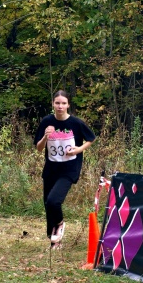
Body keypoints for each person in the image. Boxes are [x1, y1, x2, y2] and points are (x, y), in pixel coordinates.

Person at [34, 90, 96, 249]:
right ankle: (55, 241)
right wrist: (45, 137)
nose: (60, 106)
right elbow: (39, 148)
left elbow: (91, 138)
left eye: (63, 103)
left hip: (69, 169)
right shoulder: (47, 122)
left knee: (54, 200)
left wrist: (78, 150)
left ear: (68, 105)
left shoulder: (75, 123)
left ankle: (60, 224)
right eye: (57, 103)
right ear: (53, 104)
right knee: (48, 204)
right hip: (51, 168)